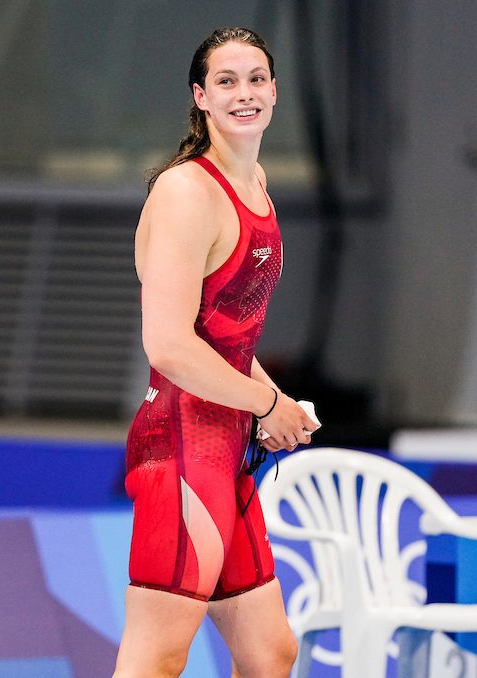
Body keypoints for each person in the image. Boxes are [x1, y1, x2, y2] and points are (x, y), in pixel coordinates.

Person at [113, 27, 321, 678]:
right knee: (157, 659)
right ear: (201, 98)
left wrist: (275, 405)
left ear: (275, 91)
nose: (244, 93)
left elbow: (223, 337)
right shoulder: (186, 193)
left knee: (269, 653)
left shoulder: (253, 181)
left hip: (226, 450)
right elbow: (170, 344)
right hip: (181, 446)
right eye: (226, 82)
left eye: (256, 78)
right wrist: (266, 402)